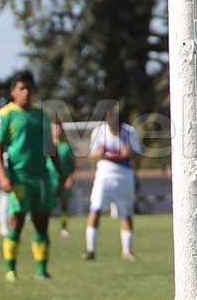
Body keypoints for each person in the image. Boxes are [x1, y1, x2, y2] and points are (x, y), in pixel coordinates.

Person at [0, 71, 70, 281]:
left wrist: (61, 173)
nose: (26, 93)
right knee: (16, 221)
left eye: (29, 89)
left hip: (41, 177)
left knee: (42, 222)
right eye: (21, 88)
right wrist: (1, 175)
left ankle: (42, 271)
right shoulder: (5, 115)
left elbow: (50, 147)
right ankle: (11, 269)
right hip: (19, 177)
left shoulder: (40, 115)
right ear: (13, 92)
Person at [85, 103, 143, 261]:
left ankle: (127, 251)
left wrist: (129, 153)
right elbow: (91, 155)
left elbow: (138, 154)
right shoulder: (99, 132)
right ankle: (90, 249)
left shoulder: (129, 132)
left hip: (124, 175)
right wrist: (99, 152)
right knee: (95, 209)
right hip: (104, 175)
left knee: (126, 213)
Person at [48, 117, 76, 237]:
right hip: (49, 180)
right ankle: (45, 227)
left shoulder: (66, 146)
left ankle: (64, 227)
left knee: (64, 205)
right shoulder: (47, 146)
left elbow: (73, 164)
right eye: (54, 128)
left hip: (63, 180)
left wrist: (70, 177)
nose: (56, 131)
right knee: (47, 205)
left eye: (58, 128)